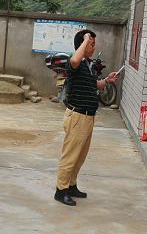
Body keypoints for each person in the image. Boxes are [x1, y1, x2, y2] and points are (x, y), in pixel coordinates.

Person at [54, 29, 119, 206]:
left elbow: (95, 84)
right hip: (77, 116)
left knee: (80, 156)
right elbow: (75, 60)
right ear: (82, 44)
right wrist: (84, 40)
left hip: (88, 116)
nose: (93, 47)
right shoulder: (74, 61)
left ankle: (71, 185)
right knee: (70, 156)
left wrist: (107, 81)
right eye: (91, 44)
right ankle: (61, 191)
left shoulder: (88, 64)